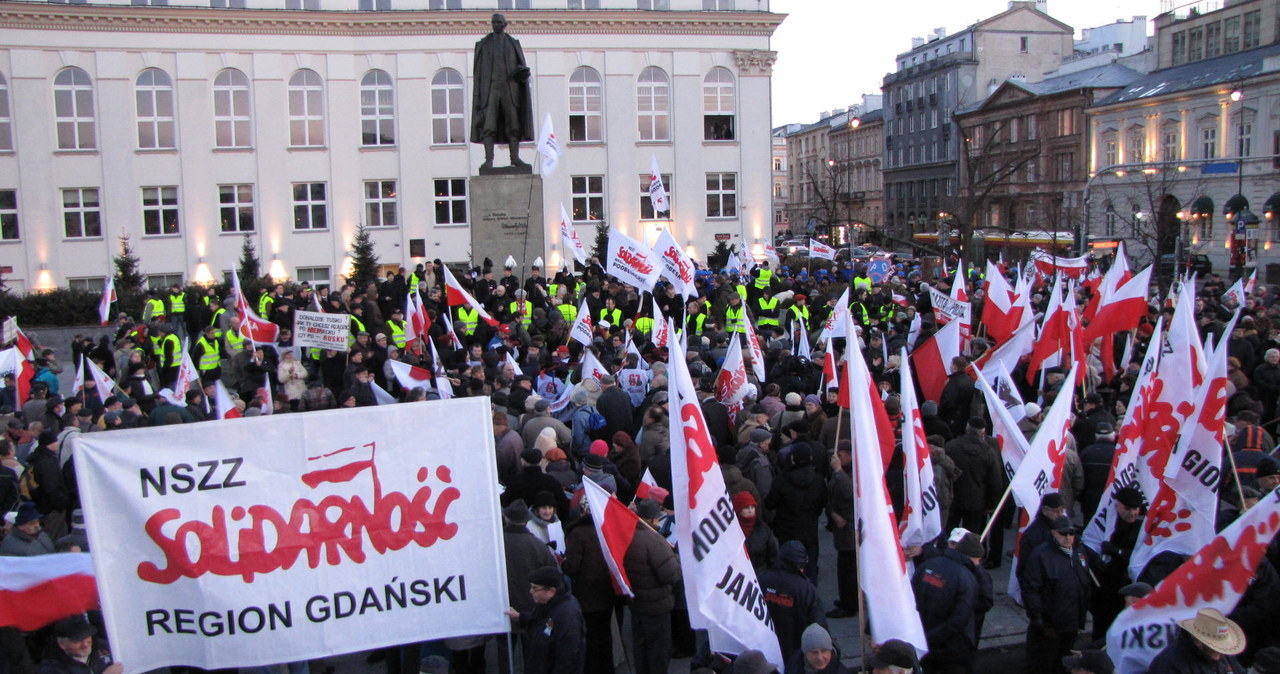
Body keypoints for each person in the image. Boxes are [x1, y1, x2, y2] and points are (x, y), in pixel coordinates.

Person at [1023, 516, 1092, 674]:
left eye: (1071, 533)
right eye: (1063, 533)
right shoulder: (1040, 555)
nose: (1068, 537)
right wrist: (1038, 618)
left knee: (1063, 663)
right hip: (1050, 625)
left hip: (1071, 622)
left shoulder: (1079, 551)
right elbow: (1031, 588)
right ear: (1053, 533)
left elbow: (1085, 582)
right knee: (1043, 663)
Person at [623, 498, 681, 674]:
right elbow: (671, 574)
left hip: (637, 602)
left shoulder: (629, 535)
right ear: (654, 519)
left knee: (640, 647)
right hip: (657, 605)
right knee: (658, 650)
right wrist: (674, 558)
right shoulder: (655, 541)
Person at [912, 531, 983, 674]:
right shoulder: (967, 578)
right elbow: (959, 620)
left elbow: (911, 599)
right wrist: (935, 637)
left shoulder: (927, 565)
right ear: (972, 556)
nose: (978, 564)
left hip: (923, 639)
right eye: (978, 559)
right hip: (951, 648)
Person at [471, 13, 533, 170]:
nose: (496, 25)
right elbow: (478, 74)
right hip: (490, 90)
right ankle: (489, 160)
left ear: (505, 24)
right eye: (493, 22)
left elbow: (521, 67)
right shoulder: (483, 45)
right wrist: (479, 97)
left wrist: (522, 72)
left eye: (499, 22)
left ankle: (515, 158)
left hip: (510, 90)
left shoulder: (513, 44)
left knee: (513, 125)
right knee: (488, 126)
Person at [505, 566, 585, 674]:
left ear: (551, 591)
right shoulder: (549, 605)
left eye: (535, 588)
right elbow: (541, 621)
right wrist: (520, 617)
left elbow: (567, 659)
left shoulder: (568, 617)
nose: (530, 591)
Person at [757, 541, 825, 662]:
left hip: (765, 648)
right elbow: (818, 625)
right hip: (795, 652)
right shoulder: (806, 589)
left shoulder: (762, 579)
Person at [1147, 608, 1246, 673]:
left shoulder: (1225, 657)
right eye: (1216, 647)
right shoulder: (1171, 665)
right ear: (1199, 641)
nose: (1220, 654)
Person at [36, 615, 122, 674]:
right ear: (62, 644)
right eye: (77, 640)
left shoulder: (105, 646)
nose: (85, 644)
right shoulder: (52, 668)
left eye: (87, 636)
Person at [784, 623, 848, 674]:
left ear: (830, 651)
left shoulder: (840, 672)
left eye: (824, 651)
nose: (820, 657)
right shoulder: (793, 666)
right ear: (805, 653)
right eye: (814, 652)